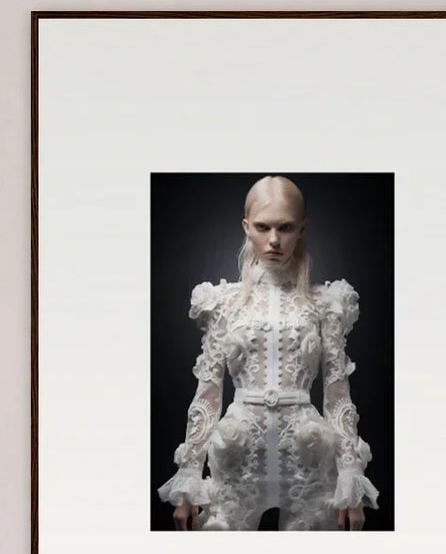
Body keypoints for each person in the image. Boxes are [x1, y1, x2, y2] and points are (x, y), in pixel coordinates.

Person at [159, 175, 378, 530]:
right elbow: (208, 394)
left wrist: (350, 477)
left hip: (307, 457)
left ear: (302, 228)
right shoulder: (223, 303)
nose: (274, 240)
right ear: (247, 227)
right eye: (263, 227)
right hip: (236, 454)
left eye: (285, 227)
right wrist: (188, 478)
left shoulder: (327, 303)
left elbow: (338, 396)